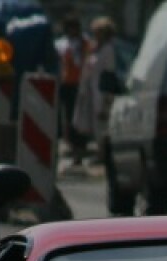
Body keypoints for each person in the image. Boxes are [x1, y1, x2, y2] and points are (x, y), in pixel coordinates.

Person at [72, 17, 118, 163]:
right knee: (92, 123)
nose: (96, 35)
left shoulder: (108, 49)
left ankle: (103, 154)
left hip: (102, 91)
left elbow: (109, 72)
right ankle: (98, 152)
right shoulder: (95, 49)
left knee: (101, 124)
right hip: (91, 91)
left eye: (99, 32)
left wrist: (107, 97)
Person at [55, 16, 91, 157]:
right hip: (66, 84)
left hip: (80, 84)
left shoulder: (85, 43)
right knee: (68, 115)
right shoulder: (62, 44)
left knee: (80, 115)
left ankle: (81, 143)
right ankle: (71, 142)